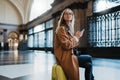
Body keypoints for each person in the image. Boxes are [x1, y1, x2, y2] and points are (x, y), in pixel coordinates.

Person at [54, 8, 83, 80]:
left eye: (70, 14)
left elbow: (71, 43)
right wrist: (76, 37)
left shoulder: (69, 28)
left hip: (70, 54)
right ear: (63, 16)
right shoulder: (61, 29)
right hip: (65, 56)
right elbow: (66, 45)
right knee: (88, 59)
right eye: (66, 13)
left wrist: (76, 37)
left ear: (72, 16)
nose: (68, 15)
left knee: (88, 64)